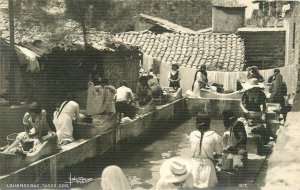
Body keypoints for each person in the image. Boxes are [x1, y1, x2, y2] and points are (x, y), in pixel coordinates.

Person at [189, 114, 223, 188]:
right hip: (208, 166)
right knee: (208, 186)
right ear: (209, 123)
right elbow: (219, 155)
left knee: (192, 186)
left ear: (196, 123)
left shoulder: (192, 135)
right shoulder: (215, 136)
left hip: (193, 165)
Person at [240, 78, 270, 144]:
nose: (254, 89)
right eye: (253, 87)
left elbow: (264, 105)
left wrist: (263, 114)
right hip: (247, 113)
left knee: (259, 127)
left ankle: (263, 141)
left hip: (257, 112)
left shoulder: (261, 94)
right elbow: (241, 103)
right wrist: (245, 110)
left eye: (255, 88)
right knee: (247, 127)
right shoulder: (246, 93)